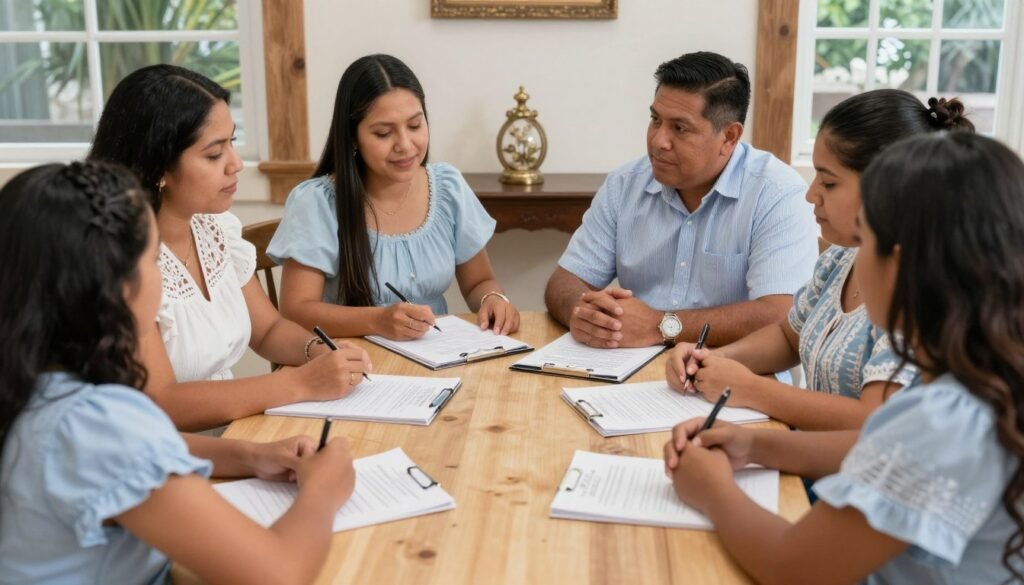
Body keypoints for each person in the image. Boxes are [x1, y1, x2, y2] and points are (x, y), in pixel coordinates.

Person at [663, 132, 1024, 583]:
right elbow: (879, 444)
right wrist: (754, 445)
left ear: (900, 262)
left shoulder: (944, 419)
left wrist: (712, 490)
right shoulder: (979, 382)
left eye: (865, 236)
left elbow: (792, 566)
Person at [0, 162, 356, 584]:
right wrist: (324, 491)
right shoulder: (95, 423)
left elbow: (144, 448)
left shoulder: (40, 382)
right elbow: (279, 574)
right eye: (153, 260)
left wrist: (251, 455)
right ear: (115, 287)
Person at [665, 91, 974, 430]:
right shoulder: (840, 259)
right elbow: (788, 337)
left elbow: (872, 424)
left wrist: (751, 388)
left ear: (888, 187)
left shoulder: (921, 289)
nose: (811, 194)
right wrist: (712, 360)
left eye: (828, 181)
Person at [89, 65, 372, 432]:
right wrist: (300, 383)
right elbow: (162, 402)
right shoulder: (119, 262)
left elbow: (267, 330)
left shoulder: (214, 228)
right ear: (158, 168)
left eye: (233, 142)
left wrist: (317, 351)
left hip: (235, 430)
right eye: (213, 154)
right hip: (166, 453)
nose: (236, 164)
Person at [544, 51, 817, 349]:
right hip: (629, 366)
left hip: (737, 375)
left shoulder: (777, 193)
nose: (658, 140)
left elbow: (780, 315)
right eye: (655, 119)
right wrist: (583, 314)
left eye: (679, 128)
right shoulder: (625, 184)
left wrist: (662, 325)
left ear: (729, 137)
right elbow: (564, 282)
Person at [268, 54, 521, 340]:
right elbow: (296, 311)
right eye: (384, 133)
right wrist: (377, 320)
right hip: (351, 366)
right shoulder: (316, 203)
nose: (405, 145)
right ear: (352, 137)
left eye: (415, 126)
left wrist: (493, 298)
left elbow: (479, 281)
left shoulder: (448, 187)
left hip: (436, 358)